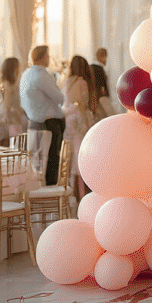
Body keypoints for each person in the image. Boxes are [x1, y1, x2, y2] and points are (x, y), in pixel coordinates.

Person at [20, 45, 65, 186]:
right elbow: (59, 98)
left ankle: (38, 188)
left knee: (36, 160)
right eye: (48, 55)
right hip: (48, 122)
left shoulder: (26, 74)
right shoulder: (42, 75)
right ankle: (50, 190)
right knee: (51, 160)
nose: (49, 58)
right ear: (42, 57)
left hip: (32, 122)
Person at [63, 55, 97, 199]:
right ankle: (83, 192)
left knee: (73, 153)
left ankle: (74, 191)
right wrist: (88, 123)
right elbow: (83, 103)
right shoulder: (82, 82)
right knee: (83, 153)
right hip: (79, 119)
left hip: (69, 119)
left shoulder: (67, 81)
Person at [0, 58, 26, 147]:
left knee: (18, 145)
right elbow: (7, 106)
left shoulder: (13, 84)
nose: (19, 69)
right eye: (18, 67)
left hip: (16, 119)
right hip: (12, 120)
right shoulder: (8, 84)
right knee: (16, 146)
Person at [91, 47, 115, 121]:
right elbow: (102, 86)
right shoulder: (98, 69)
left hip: (94, 98)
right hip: (101, 98)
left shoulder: (91, 67)